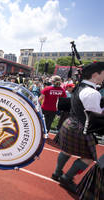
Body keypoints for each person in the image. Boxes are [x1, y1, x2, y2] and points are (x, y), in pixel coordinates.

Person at [51, 62, 104, 193]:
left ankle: (57, 173)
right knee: (88, 158)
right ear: (95, 74)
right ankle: (66, 178)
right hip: (81, 126)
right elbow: (95, 117)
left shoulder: (78, 87)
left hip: (69, 123)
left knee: (66, 150)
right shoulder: (92, 93)